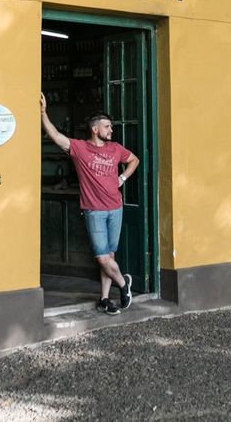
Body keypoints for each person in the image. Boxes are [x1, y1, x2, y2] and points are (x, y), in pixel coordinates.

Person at [40, 92, 139, 315]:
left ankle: (104, 299)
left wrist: (122, 178)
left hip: (115, 208)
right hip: (94, 210)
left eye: (111, 127)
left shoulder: (115, 148)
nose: (111, 130)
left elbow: (134, 160)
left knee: (109, 257)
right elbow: (55, 135)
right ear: (95, 129)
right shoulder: (80, 149)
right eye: (107, 127)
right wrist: (43, 113)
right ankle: (124, 284)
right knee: (102, 257)